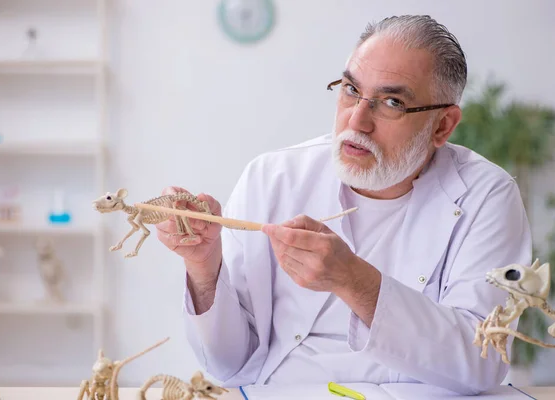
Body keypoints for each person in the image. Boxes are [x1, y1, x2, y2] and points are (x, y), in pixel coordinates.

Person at [157, 15, 532, 395]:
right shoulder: (273, 176)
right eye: (351, 89)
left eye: (391, 102)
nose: (357, 120)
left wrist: (354, 280)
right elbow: (228, 364)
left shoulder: (486, 195)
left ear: (442, 126)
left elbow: (482, 359)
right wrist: (204, 267)